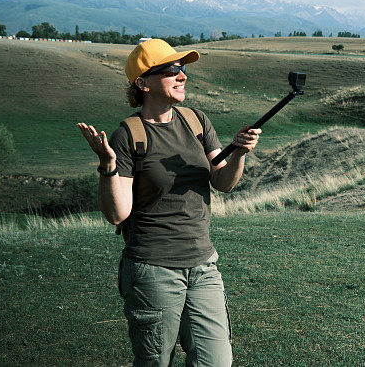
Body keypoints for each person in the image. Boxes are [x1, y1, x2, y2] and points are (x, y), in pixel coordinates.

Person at [77, 38, 260, 367]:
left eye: (183, 69)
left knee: (215, 362)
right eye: (172, 69)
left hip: (203, 265)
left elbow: (223, 182)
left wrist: (240, 153)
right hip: (153, 269)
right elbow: (117, 214)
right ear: (143, 84)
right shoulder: (129, 135)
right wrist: (108, 166)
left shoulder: (196, 121)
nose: (182, 76)